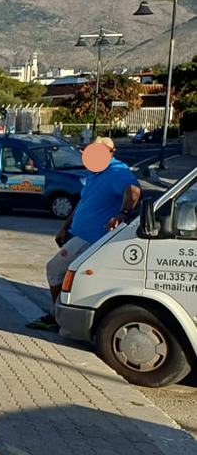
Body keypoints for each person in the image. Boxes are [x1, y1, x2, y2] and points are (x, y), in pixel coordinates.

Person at [30, 136, 142, 330]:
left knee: (55, 269)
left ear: (110, 152)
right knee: (67, 275)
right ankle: (58, 315)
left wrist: (123, 213)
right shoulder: (95, 173)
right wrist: (65, 227)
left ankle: (57, 316)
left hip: (91, 237)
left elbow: (133, 190)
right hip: (77, 233)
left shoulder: (117, 171)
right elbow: (84, 202)